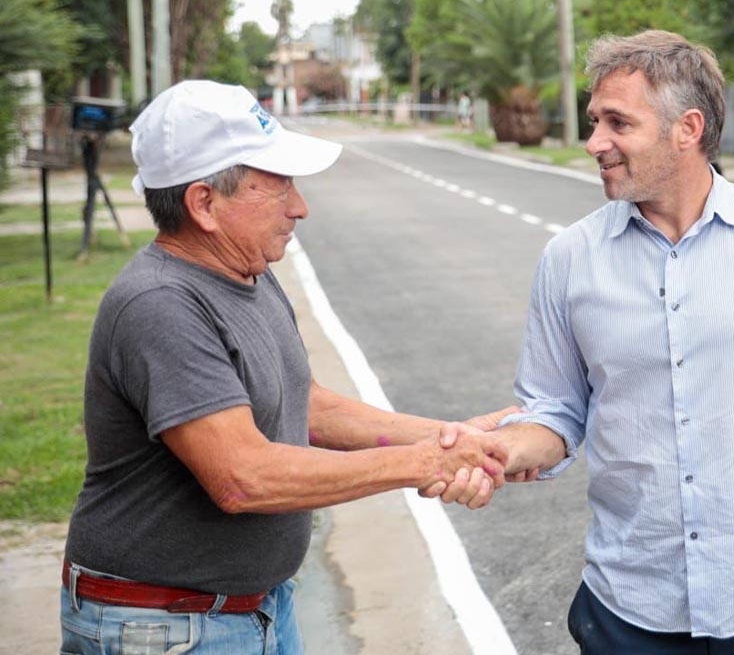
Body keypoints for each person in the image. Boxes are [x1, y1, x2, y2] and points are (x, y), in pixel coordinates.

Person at [449, 31, 734, 654]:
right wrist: (499, 449)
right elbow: (555, 412)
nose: (595, 142)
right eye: (595, 122)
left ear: (687, 129)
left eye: (618, 123)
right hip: (627, 608)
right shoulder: (568, 260)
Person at [60, 79, 511, 655]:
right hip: (165, 626)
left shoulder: (246, 272)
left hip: (252, 609)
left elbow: (307, 403)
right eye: (278, 187)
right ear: (204, 204)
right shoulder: (161, 304)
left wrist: (455, 437)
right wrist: (426, 462)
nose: (300, 206)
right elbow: (242, 476)